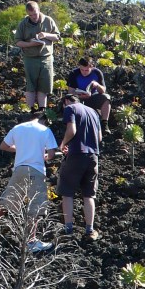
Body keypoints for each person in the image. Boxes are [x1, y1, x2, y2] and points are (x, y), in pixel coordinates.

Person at [0, 109, 59, 253]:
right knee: (35, 204)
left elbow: (3, 146)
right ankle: (31, 241)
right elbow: (51, 154)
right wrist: (42, 155)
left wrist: (21, 149)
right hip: (36, 170)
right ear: (43, 119)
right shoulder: (45, 130)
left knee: (9, 198)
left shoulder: (17, 128)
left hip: (19, 169)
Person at [58, 94, 103, 239]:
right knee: (89, 194)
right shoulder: (93, 112)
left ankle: (68, 230)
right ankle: (90, 230)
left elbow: (72, 130)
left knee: (67, 192)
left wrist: (63, 144)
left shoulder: (70, 108)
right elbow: (100, 137)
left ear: (66, 101)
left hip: (76, 155)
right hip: (93, 156)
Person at [13, 1, 60, 110]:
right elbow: (18, 42)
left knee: (44, 86)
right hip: (30, 58)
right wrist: (31, 44)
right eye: (31, 15)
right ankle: (30, 110)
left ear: (39, 10)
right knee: (31, 85)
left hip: (46, 57)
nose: (33, 17)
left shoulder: (48, 20)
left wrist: (46, 35)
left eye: (35, 14)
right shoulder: (23, 24)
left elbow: (57, 37)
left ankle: (42, 110)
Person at [66, 57, 111, 127]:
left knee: (106, 98)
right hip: (78, 99)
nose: (84, 72)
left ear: (92, 67)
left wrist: (97, 85)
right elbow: (70, 92)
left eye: (86, 70)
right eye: (82, 70)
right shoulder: (74, 73)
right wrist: (79, 95)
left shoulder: (97, 73)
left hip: (93, 97)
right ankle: (74, 123)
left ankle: (105, 124)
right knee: (68, 100)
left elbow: (103, 90)